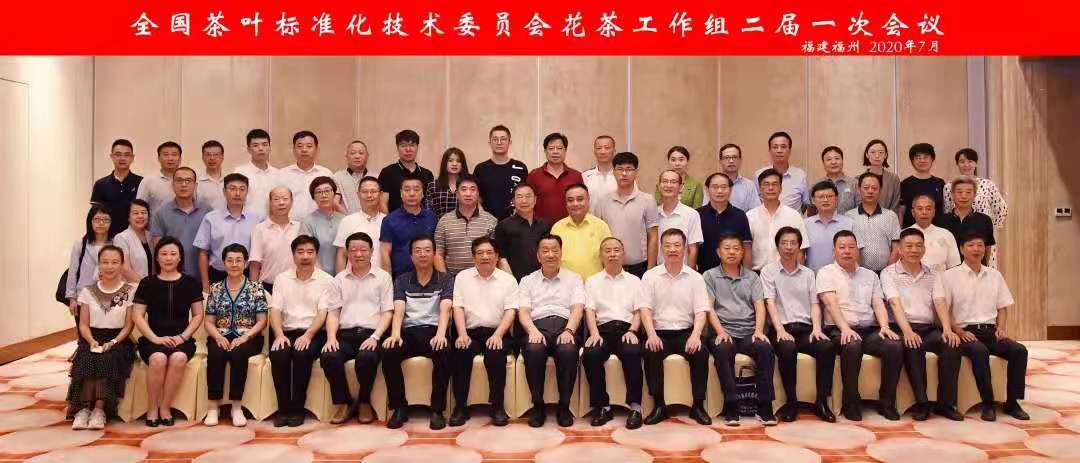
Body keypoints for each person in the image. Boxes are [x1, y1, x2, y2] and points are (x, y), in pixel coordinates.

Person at [943, 233, 1030, 422]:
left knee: (1019, 350)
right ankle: (988, 403)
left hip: (991, 331)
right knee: (979, 351)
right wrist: (959, 331)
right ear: (961, 249)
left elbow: (1002, 307)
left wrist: (1001, 328)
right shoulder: (949, 276)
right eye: (971, 245)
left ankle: (1012, 402)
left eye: (980, 245)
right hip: (965, 332)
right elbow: (945, 311)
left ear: (985, 249)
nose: (976, 249)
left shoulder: (994, 275)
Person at [818, 231, 903, 421]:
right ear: (834, 251)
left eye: (851, 247)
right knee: (852, 345)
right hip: (838, 329)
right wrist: (845, 328)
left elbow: (878, 303)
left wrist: (884, 326)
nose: (847, 251)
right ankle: (851, 403)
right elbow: (831, 305)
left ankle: (886, 403)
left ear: (858, 250)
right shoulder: (826, 273)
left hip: (869, 329)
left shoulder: (870, 275)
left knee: (894, 346)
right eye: (842, 247)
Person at [882, 228, 965, 422]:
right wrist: (907, 331)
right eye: (909, 246)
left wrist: (947, 329)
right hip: (902, 327)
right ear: (900, 249)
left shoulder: (933, 274)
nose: (914, 250)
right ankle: (922, 403)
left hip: (928, 328)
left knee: (952, 345)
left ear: (924, 249)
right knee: (913, 346)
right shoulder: (889, 273)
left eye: (919, 246)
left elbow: (940, 302)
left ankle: (946, 404)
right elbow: (894, 303)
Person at [761, 227, 836, 423]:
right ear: (777, 246)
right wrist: (780, 330)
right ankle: (791, 402)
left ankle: (822, 402)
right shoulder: (768, 272)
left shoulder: (808, 274)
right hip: (781, 328)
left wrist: (817, 328)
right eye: (784, 243)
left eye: (793, 243)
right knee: (787, 347)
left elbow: (814, 304)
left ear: (799, 246)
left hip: (805, 329)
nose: (788, 247)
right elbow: (770, 303)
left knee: (827, 346)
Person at [319, 232, 394, 426]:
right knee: (329, 356)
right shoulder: (339, 279)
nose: (358, 254)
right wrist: (331, 338)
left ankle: (364, 402)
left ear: (371, 251)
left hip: (372, 334)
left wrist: (376, 337)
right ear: (347, 253)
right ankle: (344, 401)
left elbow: (387, 312)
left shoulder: (383, 278)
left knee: (366, 357)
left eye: (363, 250)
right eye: (353, 250)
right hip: (345, 334)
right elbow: (333, 312)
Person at [640, 229, 712, 426]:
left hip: (686, 332)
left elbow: (701, 311)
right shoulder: (650, 276)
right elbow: (645, 309)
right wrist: (651, 334)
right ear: (661, 249)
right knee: (651, 350)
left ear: (685, 248)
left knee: (701, 352)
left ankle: (698, 406)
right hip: (659, 333)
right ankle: (659, 406)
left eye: (677, 245)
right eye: (668, 246)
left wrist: (696, 335)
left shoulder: (695, 277)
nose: (672, 249)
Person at [703, 234, 777, 426]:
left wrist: (759, 331)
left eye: (736, 248)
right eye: (727, 248)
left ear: (743, 252)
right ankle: (732, 405)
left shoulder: (752, 277)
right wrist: (720, 332)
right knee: (723, 350)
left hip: (748, 332)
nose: (732, 252)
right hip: (723, 331)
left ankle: (765, 406)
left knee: (765, 348)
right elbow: (709, 308)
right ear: (718, 252)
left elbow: (759, 306)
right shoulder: (709, 276)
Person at [132, 237, 205, 427]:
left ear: (180, 257)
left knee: (178, 358)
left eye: (173, 254)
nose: (168, 258)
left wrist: (183, 336)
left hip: (182, 339)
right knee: (158, 359)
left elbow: (198, 315)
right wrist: (154, 338)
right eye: (163, 254)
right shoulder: (147, 283)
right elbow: (138, 315)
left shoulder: (191, 283)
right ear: (157, 258)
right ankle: (152, 408)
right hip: (152, 339)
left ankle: (165, 407)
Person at [382, 236, 455, 429]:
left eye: (427, 250)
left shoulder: (446, 279)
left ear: (434, 253)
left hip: (434, 331)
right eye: (418, 250)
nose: (423, 254)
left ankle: (437, 410)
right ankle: (399, 407)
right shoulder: (402, 280)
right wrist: (395, 334)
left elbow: (445, 309)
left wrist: (441, 334)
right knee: (389, 351)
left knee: (444, 352)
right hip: (409, 332)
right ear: (411, 255)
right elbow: (399, 310)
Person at [518, 234, 586, 428]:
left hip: (565, 326)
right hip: (537, 326)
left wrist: (569, 331)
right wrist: (532, 331)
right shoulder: (527, 280)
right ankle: (538, 406)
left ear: (561, 254)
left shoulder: (574, 278)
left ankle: (563, 406)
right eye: (545, 250)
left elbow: (578, 308)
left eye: (555, 250)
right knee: (533, 350)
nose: (550, 254)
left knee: (568, 351)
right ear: (538, 256)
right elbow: (523, 311)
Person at [67, 245, 136, 430]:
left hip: (118, 339)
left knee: (107, 358)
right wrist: (91, 341)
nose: (109, 266)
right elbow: (83, 324)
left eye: (114, 262)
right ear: (99, 264)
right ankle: (83, 409)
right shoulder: (87, 291)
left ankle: (99, 409)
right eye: (105, 262)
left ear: (122, 265)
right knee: (87, 358)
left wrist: (113, 342)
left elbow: (129, 325)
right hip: (92, 337)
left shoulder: (130, 291)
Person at [450, 237, 517, 427]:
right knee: (461, 352)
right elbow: (457, 307)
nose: (485, 257)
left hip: (498, 332)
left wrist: (498, 335)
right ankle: (460, 407)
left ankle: (497, 407)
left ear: (497, 256)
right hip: (469, 332)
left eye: (489, 253)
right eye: (480, 253)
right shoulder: (462, 277)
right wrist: (462, 334)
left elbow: (511, 311)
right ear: (473, 257)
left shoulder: (508, 280)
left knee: (495, 353)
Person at [268, 235, 332, 427]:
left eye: (310, 252)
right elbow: (275, 310)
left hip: (314, 332)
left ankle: (297, 409)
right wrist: (279, 335)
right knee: (279, 354)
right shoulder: (282, 279)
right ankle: (283, 409)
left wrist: (308, 335)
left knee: (302, 353)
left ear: (316, 254)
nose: (305, 256)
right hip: (286, 331)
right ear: (293, 254)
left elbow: (323, 313)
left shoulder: (326, 280)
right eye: (300, 252)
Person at [581, 237, 645, 429]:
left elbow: (639, 311)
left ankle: (635, 407)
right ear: (601, 255)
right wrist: (593, 333)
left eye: (616, 250)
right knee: (591, 354)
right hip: (602, 330)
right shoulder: (592, 281)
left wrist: (633, 330)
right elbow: (589, 310)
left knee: (633, 351)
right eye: (607, 250)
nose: (612, 254)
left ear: (623, 254)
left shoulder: (635, 281)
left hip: (627, 329)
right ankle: (603, 406)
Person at [202, 244, 267, 427]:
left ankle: (236, 407)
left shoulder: (256, 288)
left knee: (238, 353)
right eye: (230, 260)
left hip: (249, 337)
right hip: (220, 335)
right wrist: (218, 337)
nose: (234, 264)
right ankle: (213, 407)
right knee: (216, 354)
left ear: (245, 263)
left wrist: (245, 337)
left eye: (239, 260)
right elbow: (208, 321)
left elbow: (262, 321)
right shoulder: (215, 288)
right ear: (223, 264)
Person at [193, 173, 262, 293]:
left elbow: (258, 255)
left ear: (247, 192)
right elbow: (202, 253)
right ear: (224, 192)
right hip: (217, 275)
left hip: (246, 275)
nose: (237, 193)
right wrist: (205, 284)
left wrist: (253, 285)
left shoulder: (256, 219)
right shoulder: (211, 218)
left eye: (242, 189)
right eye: (232, 188)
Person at [594, 152, 658, 277]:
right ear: (613, 172)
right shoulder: (602, 201)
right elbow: (598, 236)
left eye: (629, 169)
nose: (624, 173)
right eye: (619, 169)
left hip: (639, 267)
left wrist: (650, 270)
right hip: (610, 267)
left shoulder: (647, 200)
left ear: (636, 172)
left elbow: (653, 236)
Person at [943, 149, 1008, 266]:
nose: (966, 165)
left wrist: (990, 226)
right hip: (958, 232)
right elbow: (948, 208)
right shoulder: (949, 186)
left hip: (982, 235)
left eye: (970, 161)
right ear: (957, 164)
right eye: (962, 161)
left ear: (976, 163)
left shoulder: (988, 185)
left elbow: (1001, 209)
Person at [148, 167, 209, 278]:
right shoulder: (161, 213)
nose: (184, 184)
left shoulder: (207, 211)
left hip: (202, 276)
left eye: (188, 181)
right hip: (171, 278)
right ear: (172, 185)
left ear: (195, 186)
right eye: (179, 180)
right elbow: (159, 251)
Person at [434, 175, 497, 275]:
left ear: (478, 194)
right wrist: (446, 280)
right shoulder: (444, 221)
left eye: (472, 190)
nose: (468, 194)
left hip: (483, 277)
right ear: (456, 194)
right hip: (453, 279)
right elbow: (438, 255)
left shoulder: (491, 220)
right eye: (464, 189)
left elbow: (495, 254)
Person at [747, 169, 809, 271]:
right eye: (766, 184)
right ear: (760, 189)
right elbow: (745, 250)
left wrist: (795, 275)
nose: (771, 188)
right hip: (757, 274)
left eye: (775, 184)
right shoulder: (750, 216)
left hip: (787, 273)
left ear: (780, 188)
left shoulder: (793, 216)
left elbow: (801, 251)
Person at [380, 176, 438, 278]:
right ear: (401, 193)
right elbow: (385, 252)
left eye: (416, 189)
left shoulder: (432, 217)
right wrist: (387, 280)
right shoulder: (389, 219)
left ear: (423, 193)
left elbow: (437, 250)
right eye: (407, 190)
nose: (412, 194)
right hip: (400, 278)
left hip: (430, 278)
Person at [551, 184, 612, 278]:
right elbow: (552, 259)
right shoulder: (557, 228)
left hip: (595, 283)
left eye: (580, 199)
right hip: (565, 284)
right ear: (566, 204)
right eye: (570, 200)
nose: (575, 204)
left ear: (588, 201)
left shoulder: (601, 226)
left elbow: (609, 257)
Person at [845, 172, 902, 273]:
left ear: (880, 190)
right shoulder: (849, 216)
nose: (870, 191)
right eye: (866, 188)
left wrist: (887, 272)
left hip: (886, 272)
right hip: (858, 273)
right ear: (859, 189)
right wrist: (858, 272)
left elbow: (896, 248)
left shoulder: (891, 216)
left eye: (874, 188)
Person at [697, 173, 753, 273]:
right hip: (704, 274)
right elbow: (692, 248)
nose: (719, 191)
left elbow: (746, 248)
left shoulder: (740, 215)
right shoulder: (697, 215)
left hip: (734, 275)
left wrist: (747, 277)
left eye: (724, 187)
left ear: (730, 190)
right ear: (707, 190)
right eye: (715, 187)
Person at [494, 183, 551, 281]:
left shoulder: (545, 225)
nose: (524, 201)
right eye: (519, 197)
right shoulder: (503, 226)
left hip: (542, 280)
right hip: (515, 280)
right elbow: (502, 258)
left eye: (528, 196)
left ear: (535, 200)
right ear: (513, 201)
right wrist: (512, 283)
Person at [250, 187, 301, 294]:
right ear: (270, 203)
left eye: (285, 199)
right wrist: (254, 292)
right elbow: (255, 264)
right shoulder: (260, 229)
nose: (281, 203)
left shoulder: (299, 227)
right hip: (267, 287)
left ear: (292, 202)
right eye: (276, 199)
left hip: (295, 286)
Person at [66, 206, 113, 318]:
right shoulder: (80, 244)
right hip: (83, 297)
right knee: (83, 328)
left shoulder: (115, 244)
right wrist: (71, 298)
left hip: (108, 298)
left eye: (106, 220)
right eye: (97, 219)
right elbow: (72, 271)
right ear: (90, 221)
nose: (101, 223)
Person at [474, 125, 528, 221]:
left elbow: (525, 195)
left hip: (514, 222)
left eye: (503, 139)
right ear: (490, 143)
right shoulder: (480, 168)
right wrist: (483, 216)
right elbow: (476, 196)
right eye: (495, 139)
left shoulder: (520, 167)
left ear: (509, 142)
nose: (499, 142)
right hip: (486, 222)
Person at [527, 132, 583, 224]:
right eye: (551, 148)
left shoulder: (576, 176)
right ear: (545, 151)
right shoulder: (534, 175)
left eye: (559, 148)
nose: (555, 152)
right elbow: (528, 203)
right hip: (541, 228)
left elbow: (582, 203)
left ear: (565, 151)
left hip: (570, 227)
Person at [91, 139, 142, 237]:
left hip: (135, 237)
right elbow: (95, 215)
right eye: (118, 154)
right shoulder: (100, 184)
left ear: (132, 158)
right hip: (108, 237)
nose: (122, 158)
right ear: (112, 157)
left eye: (126, 155)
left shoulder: (142, 182)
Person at [334, 177, 386, 273]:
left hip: (382, 278)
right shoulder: (347, 221)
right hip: (353, 278)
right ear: (358, 195)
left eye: (373, 191)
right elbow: (341, 255)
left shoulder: (387, 221)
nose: (369, 195)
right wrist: (339, 279)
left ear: (381, 194)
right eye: (365, 192)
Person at [897, 194, 960, 273]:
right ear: (913, 212)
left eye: (928, 209)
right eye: (920, 209)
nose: (924, 212)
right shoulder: (903, 235)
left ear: (934, 212)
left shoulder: (946, 234)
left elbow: (954, 267)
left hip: (941, 279)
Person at [278, 131, 333, 220]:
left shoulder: (326, 173)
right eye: (299, 146)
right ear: (293, 149)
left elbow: (332, 202)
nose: (304, 150)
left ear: (316, 149)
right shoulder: (282, 174)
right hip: (291, 224)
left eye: (309, 146)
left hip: (319, 223)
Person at [378, 129, 435, 213]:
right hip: (395, 220)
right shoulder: (387, 172)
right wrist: (389, 220)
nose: (408, 149)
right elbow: (382, 203)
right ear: (397, 148)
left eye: (412, 145)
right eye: (403, 145)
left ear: (417, 147)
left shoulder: (427, 174)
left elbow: (430, 204)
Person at [940, 176, 996, 260]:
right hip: (948, 268)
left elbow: (987, 250)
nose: (964, 196)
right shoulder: (941, 221)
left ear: (975, 195)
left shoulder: (985, 220)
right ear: (952, 195)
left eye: (968, 192)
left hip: (975, 267)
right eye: (959, 192)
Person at [657, 169, 704, 267]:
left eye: (673, 182)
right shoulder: (653, 213)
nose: (668, 185)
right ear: (659, 186)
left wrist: (690, 273)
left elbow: (693, 249)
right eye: (665, 181)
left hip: (683, 271)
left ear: (681, 187)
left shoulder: (691, 214)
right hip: (658, 271)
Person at [805, 181, 855, 271]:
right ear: (813, 200)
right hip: (813, 276)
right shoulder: (805, 224)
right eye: (821, 197)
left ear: (836, 199)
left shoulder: (849, 223)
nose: (825, 200)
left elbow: (856, 253)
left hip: (842, 277)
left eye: (829, 196)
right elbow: (800, 254)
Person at [299, 176, 345, 275]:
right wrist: (322, 278)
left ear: (334, 193)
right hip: (318, 276)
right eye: (319, 192)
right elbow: (307, 252)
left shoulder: (344, 219)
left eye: (327, 191)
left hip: (343, 276)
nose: (323, 195)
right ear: (313, 197)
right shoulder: (307, 222)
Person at [754, 132, 808, 213]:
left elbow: (805, 204)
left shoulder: (801, 175)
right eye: (775, 147)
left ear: (789, 150)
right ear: (770, 150)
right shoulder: (759, 174)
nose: (779, 151)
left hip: (793, 220)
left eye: (783, 147)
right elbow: (756, 202)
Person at [233, 129, 279, 216]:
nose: (261, 148)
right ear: (249, 149)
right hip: (246, 221)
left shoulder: (278, 174)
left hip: (272, 222)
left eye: (264, 145)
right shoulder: (239, 173)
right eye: (255, 145)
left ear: (270, 148)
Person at [899, 143, 946, 228]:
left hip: (936, 231)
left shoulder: (940, 183)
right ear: (912, 161)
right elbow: (901, 211)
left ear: (932, 159)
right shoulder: (905, 184)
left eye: (926, 157)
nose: (922, 160)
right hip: (911, 231)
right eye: (918, 157)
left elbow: (945, 209)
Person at [136, 141, 183, 216]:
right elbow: (139, 208)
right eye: (166, 155)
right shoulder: (148, 181)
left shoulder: (186, 181)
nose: (170, 158)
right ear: (158, 158)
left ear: (180, 158)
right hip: (155, 223)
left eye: (174, 155)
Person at [113, 199, 154, 282]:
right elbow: (125, 269)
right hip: (132, 286)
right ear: (128, 217)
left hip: (152, 285)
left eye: (143, 212)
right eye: (135, 213)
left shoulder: (151, 236)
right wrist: (144, 286)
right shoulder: (121, 238)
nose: (140, 216)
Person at [712, 143, 761, 212]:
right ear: (720, 161)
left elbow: (755, 212)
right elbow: (706, 211)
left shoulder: (749, 185)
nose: (731, 161)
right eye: (727, 158)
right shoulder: (712, 184)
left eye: (734, 157)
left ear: (740, 160)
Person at [813, 146, 857, 215]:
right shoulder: (816, 185)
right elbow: (812, 211)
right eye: (829, 159)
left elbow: (859, 208)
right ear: (823, 163)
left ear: (842, 161)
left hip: (849, 221)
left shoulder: (854, 183)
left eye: (837, 158)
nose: (833, 162)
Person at [426, 147, 469, 218]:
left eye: (458, 161)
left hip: (465, 224)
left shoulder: (469, 186)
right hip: (440, 224)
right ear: (444, 163)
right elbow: (429, 213)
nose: (454, 164)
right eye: (450, 160)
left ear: (462, 164)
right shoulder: (433, 186)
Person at [862, 139, 902, 214]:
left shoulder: (893, 179)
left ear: (885, 155)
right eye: (873, 152)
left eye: (881, 152)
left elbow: (895, 203)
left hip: (888, 218)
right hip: (864, 218)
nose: (877, 156)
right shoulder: (858, 179)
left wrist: (887, 217)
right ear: (867, 154)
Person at [332, 140, 371, 214]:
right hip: (347, 218)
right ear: (346, 156)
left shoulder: (375, 177)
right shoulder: (337, 177)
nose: (357, 156)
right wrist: (351, 219)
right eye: (352, 153)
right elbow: (335, 203)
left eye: (361, 153)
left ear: (367, 156)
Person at [583, 135, 619, 211]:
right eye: (599, 148)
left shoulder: (622, 175)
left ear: (614, 150)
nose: (603, 152)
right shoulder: (585, 176)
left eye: (607, 148)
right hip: (591, 218)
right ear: (594, 151)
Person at [196, 140, 226, 211]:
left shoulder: (230, 180)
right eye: (208, 155)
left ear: (222, 157)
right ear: (203, 157)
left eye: (216, 155)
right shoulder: (196, 181)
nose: (212, 158)